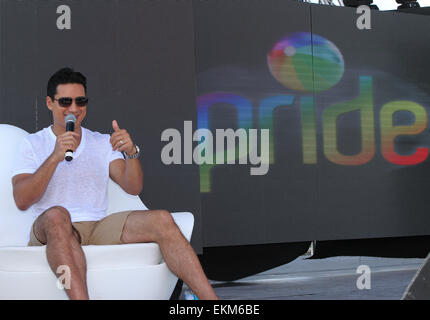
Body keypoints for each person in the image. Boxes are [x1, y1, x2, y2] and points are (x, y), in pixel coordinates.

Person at [11, 67, 218, 300]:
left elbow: (133, 187)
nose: (74, 109)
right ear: (50, 103)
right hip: (51, 227)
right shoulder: (32, 144)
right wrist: (54, 157)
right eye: (65, 102)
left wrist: (131, 153)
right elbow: (22, 200)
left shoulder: (100, 142)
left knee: (162, 219)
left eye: (80, 101)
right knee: (58, 216)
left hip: (97, 226)